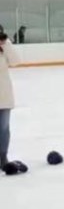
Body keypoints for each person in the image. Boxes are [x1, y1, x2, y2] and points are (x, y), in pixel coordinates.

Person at [0, 25, 20, 168]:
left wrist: (6, 44)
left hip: (4, 95)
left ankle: (2, 157)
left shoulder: (4, 47)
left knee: (4, 129)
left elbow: (15, 61)